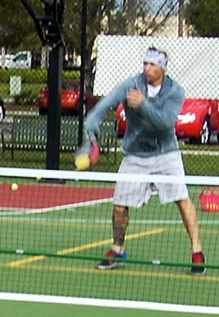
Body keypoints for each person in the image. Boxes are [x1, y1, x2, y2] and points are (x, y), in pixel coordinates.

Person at [84, 47, 205, 275]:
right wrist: (92, 122)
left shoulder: (175, 92)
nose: (147, 68)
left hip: (166, 153)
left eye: (152, 65)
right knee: (120, 204)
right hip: (135, 154)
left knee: (182, 200)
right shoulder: (132, 84)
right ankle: (118, 250)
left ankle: (197, 252)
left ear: (162, 69)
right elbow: (107, 102)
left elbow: (165, 122)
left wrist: (143, 105)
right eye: (145, 64)